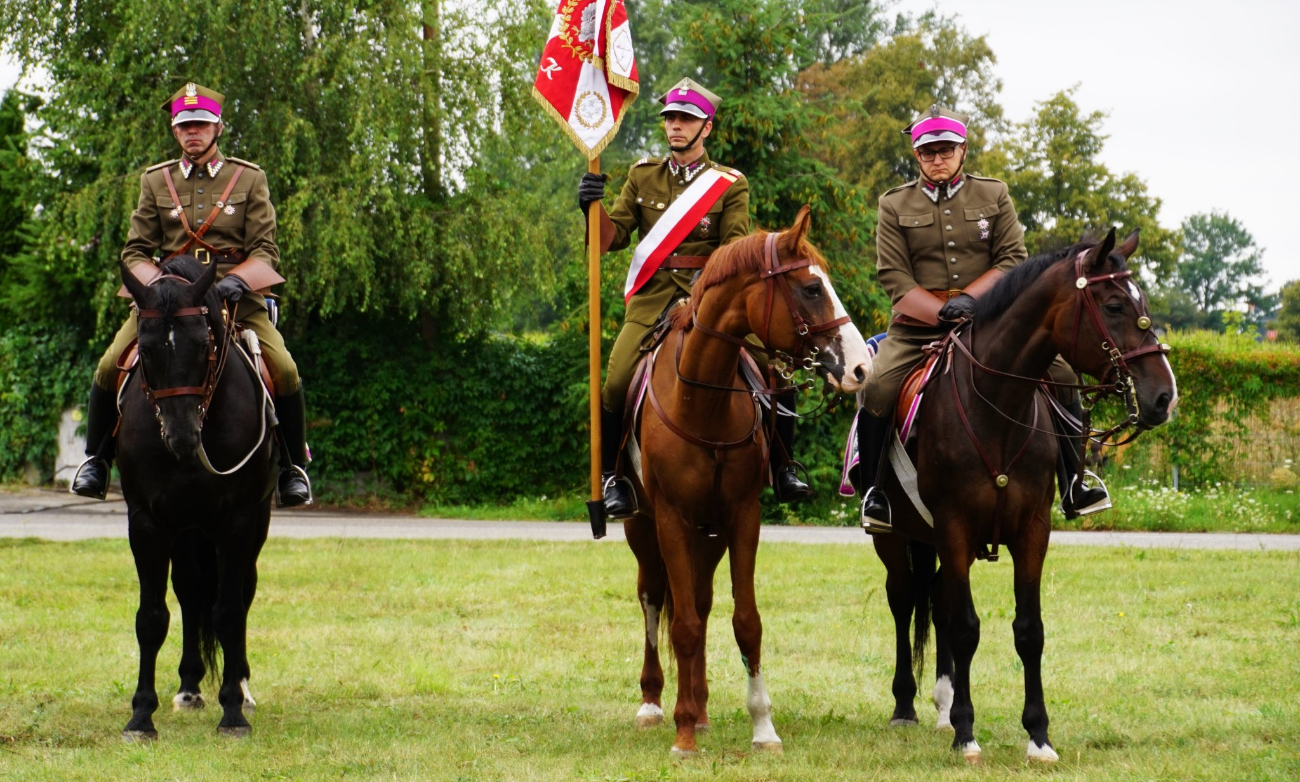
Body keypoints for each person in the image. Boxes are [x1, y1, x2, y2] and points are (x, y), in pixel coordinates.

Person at [856, 104, 1110, 533]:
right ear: (917, 155)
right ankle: (874, 492)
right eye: (928, 151)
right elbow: (893, 276)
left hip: (991, 319)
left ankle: (1074, 481)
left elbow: (1013, 258)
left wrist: (973, 301)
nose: (938, 159)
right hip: (918, 327)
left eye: (946, 150)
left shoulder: (993, 194)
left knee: (1064, 373)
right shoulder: (894, 203)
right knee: (878, 384)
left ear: (963, 150)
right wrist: (939, 311)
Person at [577, 78, 810, 519]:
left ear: (707, 127)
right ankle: (614, 478)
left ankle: (783, 467)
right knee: (616, 379)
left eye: (686, 119)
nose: (676, 126)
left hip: (711, 298)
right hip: (654, 298)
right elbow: (611, 240)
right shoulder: (643, 174)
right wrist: (592, 208)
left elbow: (734, 251)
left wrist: (702, 300)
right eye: (670, 118)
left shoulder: (728, 184)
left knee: (773, 367)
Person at [70, 83, 312, 507]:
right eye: (184, 125)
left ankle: (293, 468)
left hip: (236, 300)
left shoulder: (249, 178)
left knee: (286, 370)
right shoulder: (156, 181)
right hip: (167, 304)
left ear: (218, 126)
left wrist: (239, 280)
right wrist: (157, 289)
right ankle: (97, 459)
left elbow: (266, 249)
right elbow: (135, 251)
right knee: (110, 364)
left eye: (200, 124)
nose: (192, 132)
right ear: (175, 131)